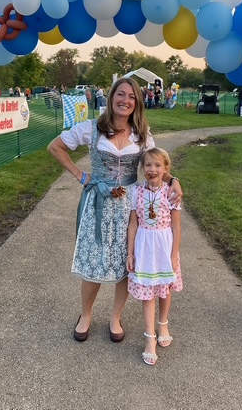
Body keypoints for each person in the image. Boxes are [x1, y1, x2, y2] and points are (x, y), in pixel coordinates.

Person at [47, 77, 183, 344]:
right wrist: (80, 175)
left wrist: (173, 180)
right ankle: (85, 315)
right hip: (98, 203)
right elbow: (56, 147)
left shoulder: (141, 134)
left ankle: (115, 317)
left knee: (126, 261)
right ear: (111, 98)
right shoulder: (92, 128)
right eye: (121, 95)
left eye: (132, 97)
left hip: (130, 206)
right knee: (94, 259)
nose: (126, 100)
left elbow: (156, 166)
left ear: (137, 102)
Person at [126, 147, 182, 366]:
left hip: (164, 247)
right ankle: (150, 338)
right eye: (148, 165)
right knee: (148, 294)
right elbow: (133, 224)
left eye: (158, 165)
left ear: (166, 169)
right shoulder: (136, 191)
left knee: (164, 289)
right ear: (142, 168)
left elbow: (177, 227)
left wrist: (174, 254)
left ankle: (163, 324)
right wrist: (130, 253)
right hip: (144, 247)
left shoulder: (171, 192)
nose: (152, 169)